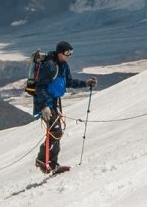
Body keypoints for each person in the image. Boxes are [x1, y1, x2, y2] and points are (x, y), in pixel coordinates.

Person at [31, 42, 97, 173]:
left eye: (71, 53)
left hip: (54, 102)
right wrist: (44, 106)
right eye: (67, 53)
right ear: (60, 52)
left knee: (57, 133)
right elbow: (40, 87)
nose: (69, 56)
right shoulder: (50, 66)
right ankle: (41, 159)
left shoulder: (64, 65)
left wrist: (85, 83)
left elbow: (69, 82)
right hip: (45, 103)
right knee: (56, 132)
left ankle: (53, 164)